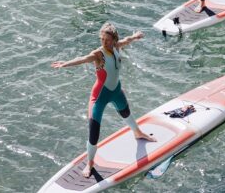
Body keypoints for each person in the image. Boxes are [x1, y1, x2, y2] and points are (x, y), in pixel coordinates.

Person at [51, 22, 156, 178]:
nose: (104, 43)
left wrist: (135, 37)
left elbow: (126, 40)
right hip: (100, 96)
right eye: (102, 39)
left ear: (114, 40)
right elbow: (83, 59)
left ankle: (138, 133)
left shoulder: (116, 46)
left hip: (116, 91)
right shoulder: (98, 54)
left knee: (126, 112)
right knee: (94, 132)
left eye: (107, 40)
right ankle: (90, 163)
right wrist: (65, 64)